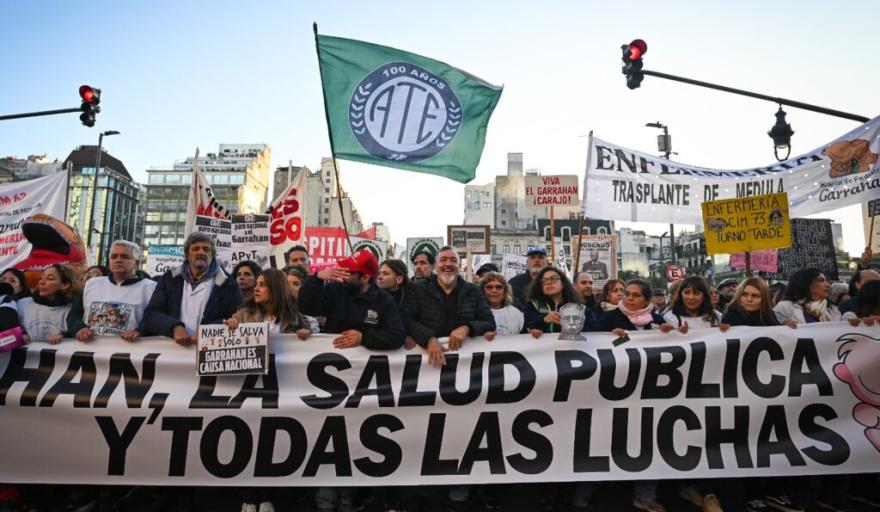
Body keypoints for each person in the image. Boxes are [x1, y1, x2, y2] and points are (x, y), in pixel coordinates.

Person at [598, 279, 671, 512]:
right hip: (616, 392)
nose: (629, 298)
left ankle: (645, 495)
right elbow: (593, 342)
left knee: (650, 442)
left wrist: (672, 336)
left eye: (635, 295)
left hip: (651, 394)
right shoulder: (609, 319)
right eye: (626, 294)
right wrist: (614, 336)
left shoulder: (659, 322)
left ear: (646, 299)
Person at [402, 246, 496, 368]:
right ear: (435, 266)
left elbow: (489, 322)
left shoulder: (474, 291)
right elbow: (406, 318)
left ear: (459, 266)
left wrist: (467, 328)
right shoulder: (417, 289)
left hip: (465, 364)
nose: (448, 264)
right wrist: (428, 339)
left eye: (453, 260)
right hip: (427, 364)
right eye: (443, 260)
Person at [143, 232, 242, 346]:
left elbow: (236, 319)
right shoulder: (169, 279)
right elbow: (151, 314)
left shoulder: (229, 284)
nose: (201, 252)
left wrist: (208, 330)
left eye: (206, 249)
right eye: (195, 249)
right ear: (187, 255)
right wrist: (174, 327)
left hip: (210, 351)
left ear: (212, 255)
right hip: (171, 352)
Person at [68, 241, 158, 342]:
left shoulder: (151, 287)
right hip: (88, 351)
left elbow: (156, 319)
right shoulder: (92, 284)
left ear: (136, 262)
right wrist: (79, 328)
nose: (118, 260)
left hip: (128, 352)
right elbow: (74, 315)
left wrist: (139, 331)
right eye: (114, 257)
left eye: (124, 256)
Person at [225, 268, 310, 339]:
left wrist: (305, 334)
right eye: (256, 284)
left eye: (262, 285)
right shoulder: (242, 316)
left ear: (276, 288)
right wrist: (230, 326)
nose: (256, 289)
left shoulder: (295, 317)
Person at [524, 266, 598, 337]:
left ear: (563, 283)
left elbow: (596, 331)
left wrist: (574, 329)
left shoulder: (580, 309)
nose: (548, 282)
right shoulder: (534, 305)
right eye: (544, 280)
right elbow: (525, 328)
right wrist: (544, 320)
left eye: (554, 278)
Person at [17, 264, 81, 344]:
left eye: (50, 278)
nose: (41, 282)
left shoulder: (74, 309)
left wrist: (65, 337)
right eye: (42, 278)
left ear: (65, 285)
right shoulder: (23, 304)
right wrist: (20, 335)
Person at [774, 268, 840, 325]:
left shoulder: (833, 310)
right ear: (806, 283)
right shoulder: (785, 307)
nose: (828, 285)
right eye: (821, 280)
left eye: (827, 281)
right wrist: (782, 325)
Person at [480, 271, 524, 337]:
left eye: (498, 287)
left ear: (505, 291)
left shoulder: (516, 313)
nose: (494, 290)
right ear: (482, 291)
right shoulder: (477, 313)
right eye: (489, 287)